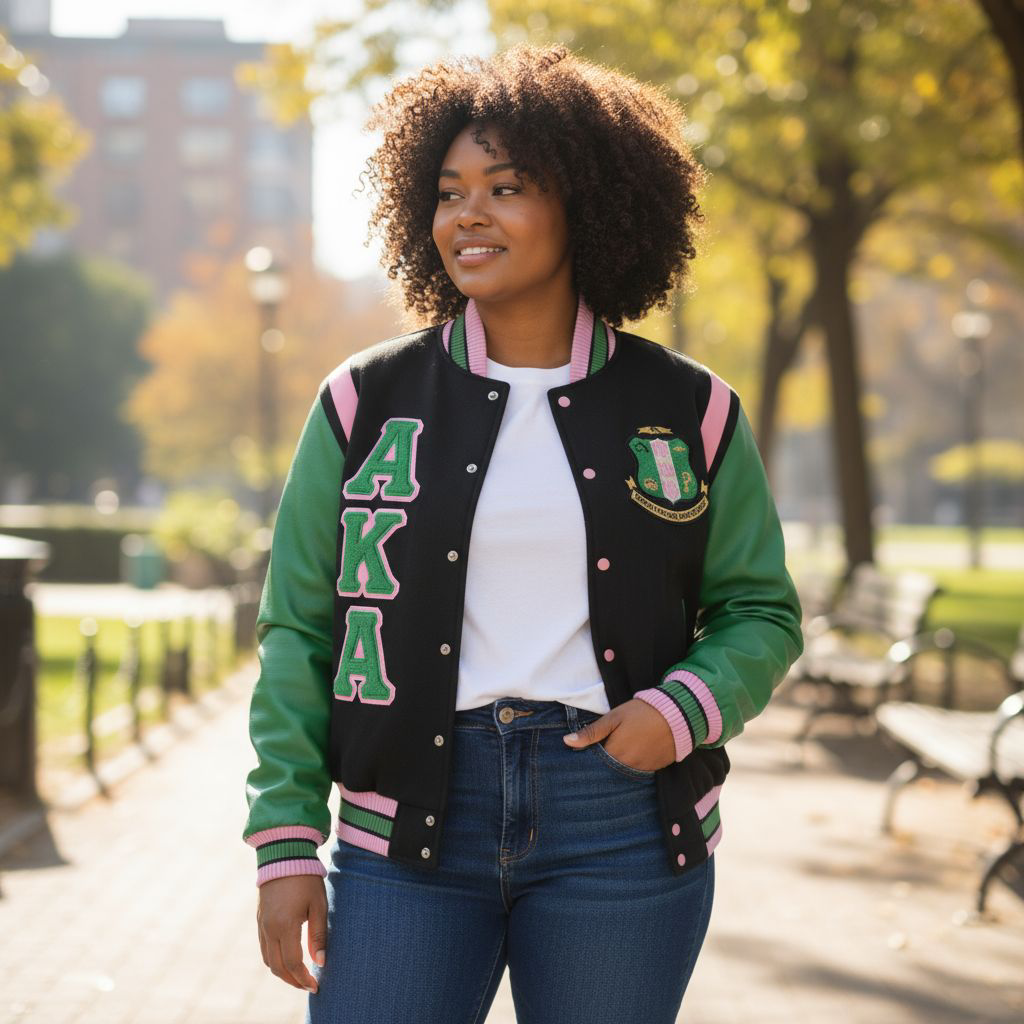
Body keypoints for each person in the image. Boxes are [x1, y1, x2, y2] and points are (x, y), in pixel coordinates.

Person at [242, 42, 803, 1024]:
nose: (469, 213)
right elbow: (299, 628)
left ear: (587, 205)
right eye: (449, 191)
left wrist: (679, 711)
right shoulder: (362, 401)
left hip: (620, 820)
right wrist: (284, 837)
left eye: (505, 188)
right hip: (404, 824)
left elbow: (758, 609)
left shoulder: (691, 408)